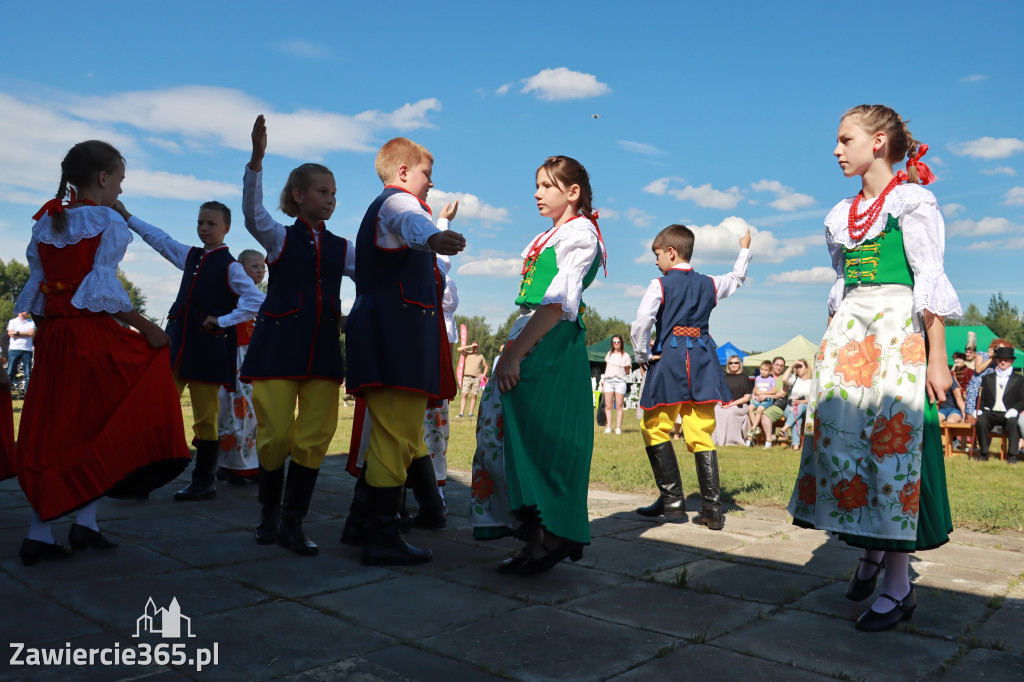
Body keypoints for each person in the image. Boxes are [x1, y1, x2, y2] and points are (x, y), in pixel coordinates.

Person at [788, 104, 962, 632]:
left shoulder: (912, 202)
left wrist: (937, 358)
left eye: (846, 139)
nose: (837, 149)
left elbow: (928, 282)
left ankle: (897, 585)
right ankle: (868, 554)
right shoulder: (840, 214)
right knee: (845, 444)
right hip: (850, 333)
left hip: (896, 331)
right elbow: (843, 283)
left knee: (891, 449)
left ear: (879, 142)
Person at [12, 140, 190, 566]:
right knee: (97, 424)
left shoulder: (45, 225)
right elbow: (104, 292)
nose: (121, 193)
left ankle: (79, 526)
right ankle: (51, 531)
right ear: (104, 178)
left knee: (56, 427)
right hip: (90, 338)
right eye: (121, 181)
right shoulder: (107, 221)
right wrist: (148, 329)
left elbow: (36, 295)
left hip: (54, 339)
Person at [471, 155, 606, 574]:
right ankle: (535, 538)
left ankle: (551, 536)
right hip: (531, 333)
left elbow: (558, 303)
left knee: (537, 440)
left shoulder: (581, 234)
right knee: (508, 436)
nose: (536, 193)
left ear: (573, 192)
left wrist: (514, 353)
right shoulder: (553, 234)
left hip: (548, 341)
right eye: (537, 185)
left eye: (546, 185)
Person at [345, 136, 464, 566]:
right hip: (396, 336)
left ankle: (361, 524)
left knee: (393, 433)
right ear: (402, 173)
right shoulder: (398, 204)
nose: (430, 183)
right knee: (396, 437)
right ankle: (381, 538)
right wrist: (434, 237)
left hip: (389, 333)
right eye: (426, 173)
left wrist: (433, 237)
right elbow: (412, 221)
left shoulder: (389, 210)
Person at [241, 115, 355, 556]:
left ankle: (293, 523)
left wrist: (355, 312)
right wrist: (256, 160)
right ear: (298, 195)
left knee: (315, 435)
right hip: (277, 348)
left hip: (324, 351)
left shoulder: (343, 247)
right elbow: (252, 213)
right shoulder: (278, 238)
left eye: (334, 194)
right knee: (273, 435)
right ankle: (268, 515)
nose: (330, 200)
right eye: (323, 192)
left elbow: (374, 274)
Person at [116, 201, 265, 501]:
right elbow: (160, 240)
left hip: (207, 352)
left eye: (211, 223)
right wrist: (128, 216)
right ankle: (143, 477)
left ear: (226, 228)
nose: (205, 228)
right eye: (200, 223)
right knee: (156, 408)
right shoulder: (191, 256)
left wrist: (222, 321)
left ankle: (203, 481)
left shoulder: (231, 267)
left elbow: (256, 301)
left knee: (206, 418)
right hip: (175, 348)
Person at [631, 224, 751, 530]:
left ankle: (672, 503)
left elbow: (643, 321)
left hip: (670, 361)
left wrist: (642, 354)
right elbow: (736, 279)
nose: (655, 261)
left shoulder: (659, 285)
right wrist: (744, 249)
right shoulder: (710, 283)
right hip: (701, 362)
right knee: (700, 432)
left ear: (671, 252)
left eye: (657, 254)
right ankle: (712, 509)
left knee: (655, 427)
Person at [217, 249, 267, 483]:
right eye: (254, 266)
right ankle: (231, 465)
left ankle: (252, 463)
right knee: (235, 411)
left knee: (256, 413)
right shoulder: (230, 295)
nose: (260, 270)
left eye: (262, 267)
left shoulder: (264, 296)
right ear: (240, 267)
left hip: (255, 361)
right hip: (235, 358)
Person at [974, 346, 1023, 463]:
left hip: (1009, 412)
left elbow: (1023, 399)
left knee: (1013, 422)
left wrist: (1015, 410)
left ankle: (1012, 455)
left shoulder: (1020, 379)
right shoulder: (987, 378)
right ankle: (984, 453)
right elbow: (982, 397)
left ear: (1012, 361)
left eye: (1006, 360)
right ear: (997, 360)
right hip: (991, 412)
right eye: (1001, 359)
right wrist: (979, 409)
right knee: (981, 421)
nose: (1003, 362)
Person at [712, 355, 752, 447]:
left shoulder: (744, 378)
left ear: (740, 364)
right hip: (724, 404)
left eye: (736, 363)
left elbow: (746, 398)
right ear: (728, 365)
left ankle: (731, 441)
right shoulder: (723, 378)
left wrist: (731, 404)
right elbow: (718, 394)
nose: (733, 365)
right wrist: (720, 403)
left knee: (730, 412)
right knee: (716, 411)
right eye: (731, 363)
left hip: (739, 405)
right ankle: (717, 440)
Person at [602, 335, 631, 434]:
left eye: (618, 342)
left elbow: (627, 371)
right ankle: (608, 427)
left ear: (621, 343)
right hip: (608, 381)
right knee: (608, 405)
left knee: (619, 405)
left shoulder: (626, 356)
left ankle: (618, 428)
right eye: (614, 342)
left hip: (620, 381)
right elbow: (607, 368)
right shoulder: (609, 354)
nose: (616, 344)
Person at [782, 360, 812, 450]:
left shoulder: (812, 382)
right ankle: (795, 446)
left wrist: (801, 402)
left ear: (807, 368)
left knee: (799, 408)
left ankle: (785, 428)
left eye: (800, 366)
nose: (798, 369)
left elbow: (812, 399)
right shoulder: (794, 378)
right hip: (791, 406)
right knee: (796, 418)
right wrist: (791, 366)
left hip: (805, 406)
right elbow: (784, 379)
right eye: (797, 367)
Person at [746, 360, 776, 445]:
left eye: (766, 370)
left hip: (767, 400)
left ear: (770, 371)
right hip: (757, 399)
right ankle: (756, 429)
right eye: (762, 369)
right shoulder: (758, 378)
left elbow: (774, 391)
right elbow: (755, 388)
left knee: (759, 410)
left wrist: (764, 394)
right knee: (750, 408)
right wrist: (754, 394)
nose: (763, 371)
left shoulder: (771, 380)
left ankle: (753, 428)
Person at [457, 341, 488, 418]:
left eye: (476, 346)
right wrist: (470, 346)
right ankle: (461, 412)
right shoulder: (467, 353)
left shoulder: (481, 356)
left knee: (474, 396)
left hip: (476, 378)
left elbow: (486, 366)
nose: (475, 348)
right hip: (467, 377)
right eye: (474, 346)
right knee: (465, 394)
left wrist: (483, 375)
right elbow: (459, 349)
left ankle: (470, 413)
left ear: (478, 347)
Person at [7, 311, 35, 391]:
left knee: (28, 374)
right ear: (20, 311)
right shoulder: (12, 321)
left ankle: (27, 393)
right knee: (10, 372)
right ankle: (7, 393)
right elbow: (11, 334)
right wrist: (25, 334)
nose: (28, 312)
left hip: (27, 350)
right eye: (26, 311)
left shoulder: (31, 322)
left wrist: (17, 333)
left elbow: (31, 333)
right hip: (14, 349)